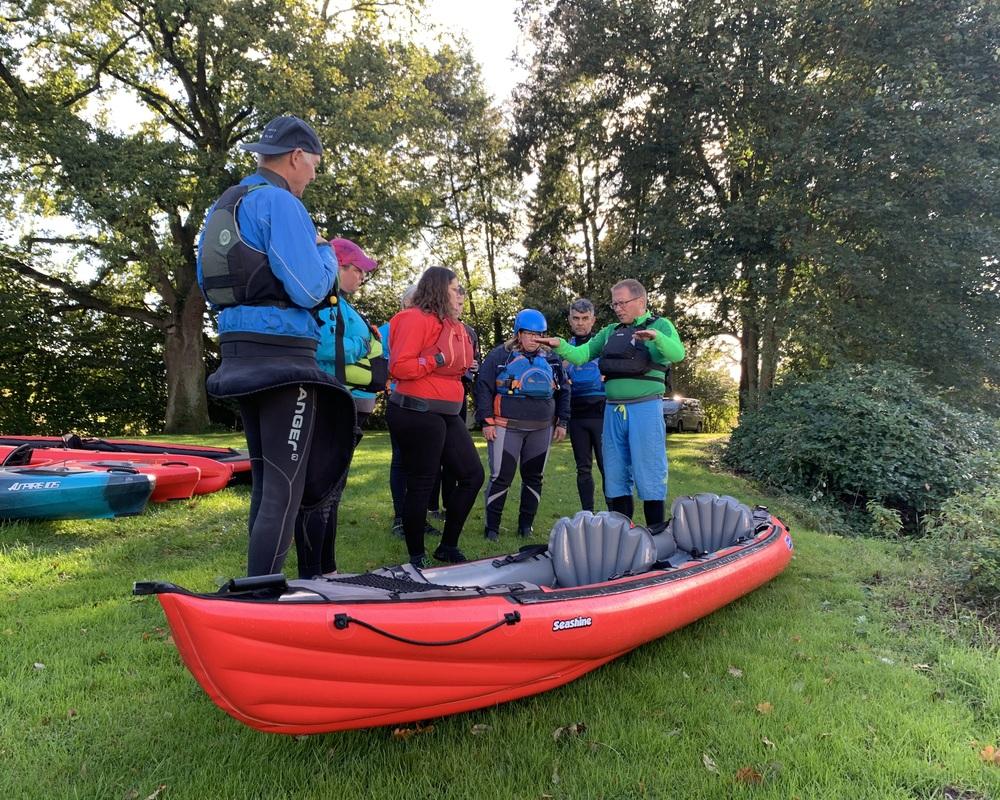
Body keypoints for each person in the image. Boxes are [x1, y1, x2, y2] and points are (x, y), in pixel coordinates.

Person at [196, 115, 356, 577]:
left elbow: (212, 282)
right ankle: (262, 600)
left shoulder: (226, 203)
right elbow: (308, 290)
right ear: (297, 156)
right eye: (314, 167)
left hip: (238, 352)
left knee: (269, 484)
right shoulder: (281, 204)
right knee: (285, 489)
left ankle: (256, 588)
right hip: (284, 360)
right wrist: (326, 252)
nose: (312, 177)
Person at [537, 279, 684, 527]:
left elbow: (677, 354)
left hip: (645, 409)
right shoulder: (609, 332)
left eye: (622, 303)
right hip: (613, 410)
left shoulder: (661, 325)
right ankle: (623, 533)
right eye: (614, 303)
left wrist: (656, 338)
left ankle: (656, 533)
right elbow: (581, 355)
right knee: (615, 474)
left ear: (640, 302)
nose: (617, 308)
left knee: (649, 472)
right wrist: (560, 345)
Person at [293, 238, 382, 578]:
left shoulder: (340, 304)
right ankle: (313, 574)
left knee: (332, 492)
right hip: (327, 400)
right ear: (337, 266)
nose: (361, 276)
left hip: (345, 403)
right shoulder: (322, 301)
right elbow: (324, 344)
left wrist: (369, 342)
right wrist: (364, 342)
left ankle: (327, 570)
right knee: (319, 492)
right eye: (356, 269)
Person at [386, 267, 484, 568]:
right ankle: (416, 556)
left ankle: (447, 546)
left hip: (446, 411)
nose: (462, 296)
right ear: (440, 289)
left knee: (472, 475)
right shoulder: (413, 319)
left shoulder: (455, 326)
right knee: (423, 481)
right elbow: (399, 367)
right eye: (457, 289)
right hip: (415, 411)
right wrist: (437, 359)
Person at [475, 309, 570, 540]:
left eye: (539, 334)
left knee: (534, 477)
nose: (534, 339)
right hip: (506, 426)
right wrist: (486, 421)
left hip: (541, 428)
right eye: (529, 333)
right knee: (501, 477)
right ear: (519, 334)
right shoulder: (500, 356)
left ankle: (526, 526)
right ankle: (492, 529)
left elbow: (564, 391)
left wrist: (563, 421)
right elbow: (483, 387)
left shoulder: (553, 359)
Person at [564, 298, 607, 512]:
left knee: (607, 468)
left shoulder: (604, 347)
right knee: (583, 468)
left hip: (601, 414)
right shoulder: (563, 351)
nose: (580, 323)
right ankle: (588, 515)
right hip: (577, 416)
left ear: (593, 320)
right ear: (570, 321)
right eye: (576, 318)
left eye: (585, 318)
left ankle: (614, 515)